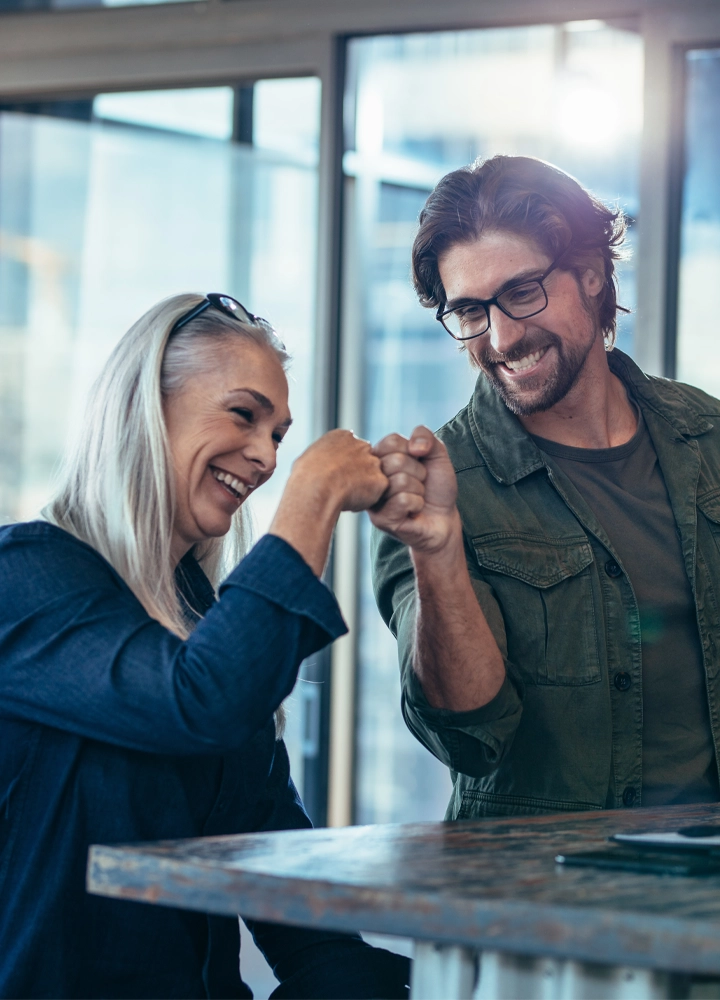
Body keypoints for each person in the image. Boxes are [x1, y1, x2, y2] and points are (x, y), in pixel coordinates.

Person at [0, 292, 409, 999]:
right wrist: (312, 496)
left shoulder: (210, 625)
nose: (267, 456)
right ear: (144, 406)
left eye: (279, 436)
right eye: (244, 414)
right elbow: (198, 703)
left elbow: (288, 890)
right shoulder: (24, 577)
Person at [370, 155, 720, 821]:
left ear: (590, 274)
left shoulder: (710, 439)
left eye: (522, 292)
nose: (502, 338)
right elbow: (467, 734)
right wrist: (437, 553)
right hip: (534, 880)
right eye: (470, 311)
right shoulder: (435, 492)